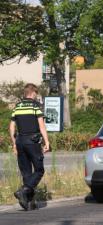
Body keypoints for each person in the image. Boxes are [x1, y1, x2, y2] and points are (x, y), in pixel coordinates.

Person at [9, 83, 50, 211]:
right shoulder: (35, 106)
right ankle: (23, 190)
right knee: (39, 170)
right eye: (36, 95)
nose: (36, 97)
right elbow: (42, 125)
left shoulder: (17, 106)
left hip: (20, 140)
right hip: (32, 141)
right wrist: (46, 141)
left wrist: (14, 143)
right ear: (32, 93)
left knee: (26, 173)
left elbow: (11, 127)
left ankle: (29, 203)